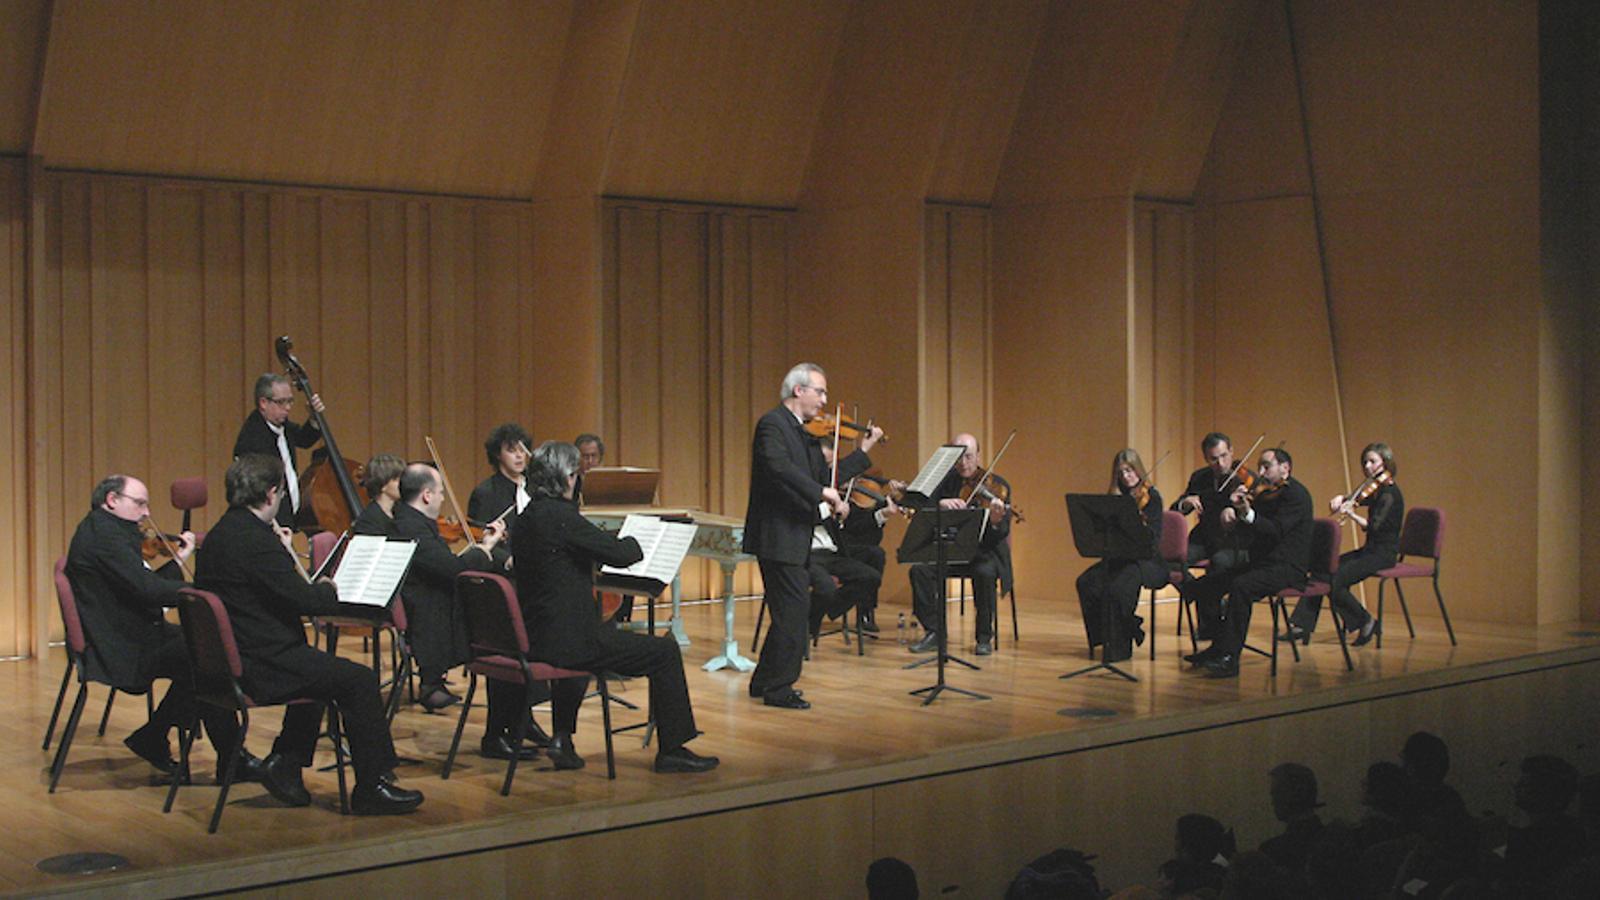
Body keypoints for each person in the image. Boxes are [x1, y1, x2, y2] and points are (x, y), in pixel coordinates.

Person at [194, 453, 421, 815]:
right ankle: (371, 786)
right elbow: (305, 600)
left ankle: (285, 764)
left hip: (229, 659)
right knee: (358, 680)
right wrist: (328, 588)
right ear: (270, 494)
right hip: (261, 663)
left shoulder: (220, 535)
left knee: (320, 672)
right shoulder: (255, 542)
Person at [513, 441, 718, 772]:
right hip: (568, 642)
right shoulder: (562, 517)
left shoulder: (525, 520)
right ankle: (673, 749)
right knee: (663, 652)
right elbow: (622, 554)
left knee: (582, 648)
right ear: (566, 479)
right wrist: (639, 538)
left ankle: (562, 739)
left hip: (533, 638)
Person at [64, 475, 255, 781]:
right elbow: (148, 591)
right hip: (122, 649)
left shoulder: (105, 529)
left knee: (203, 652)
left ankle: (171, 740)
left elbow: (142, 585)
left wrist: (182, 561)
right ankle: (229, 758)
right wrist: (204, 594)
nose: (146, 513)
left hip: (131, 634)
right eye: (139, 503)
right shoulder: (106, 539)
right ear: (112, 500)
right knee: (207, 655)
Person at [743, 362, 879, 709]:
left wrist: (862, 453)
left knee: (790, 611)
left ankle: (763, 681)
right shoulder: (772, 425)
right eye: (820, 391)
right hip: (776, 535)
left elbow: (828, 477)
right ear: (798, 390)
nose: (824, 400)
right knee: (794, 611)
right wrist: (821, 493)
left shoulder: (804, 434)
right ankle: (779, 689)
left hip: (794, 536)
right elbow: (778, 468)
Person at [391, 463, 514, 722]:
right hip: (428, 609)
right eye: (440, 492)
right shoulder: (411, 528)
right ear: (426, 495)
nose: (443, 498)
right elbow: (453, 570)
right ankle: (509, 719)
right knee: (502, 629)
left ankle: (510, 719)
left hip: (434, 601)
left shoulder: (411, 521)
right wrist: (485, 547)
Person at [1181, 446, 1312, 677]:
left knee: (1242, 586)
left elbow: (1275, 530)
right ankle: (1218, 646)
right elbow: (1250, 526)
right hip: (1262, 563)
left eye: (1266, 466)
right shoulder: (1264, 493)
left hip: (1287, 566)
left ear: (1285, 468)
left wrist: (1247, 514)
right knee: (1207, 585)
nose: (1260, 471)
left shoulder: (1296, 495)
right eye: (1259, 466)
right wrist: (1231, 514)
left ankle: (1230, 658)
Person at [1283, 442, 1402, 647]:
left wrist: (1351, 515)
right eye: (1365, 461)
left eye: (1372, 461)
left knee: (1333, 581)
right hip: (1370, 551)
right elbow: (1359, 499)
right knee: (1322, 571)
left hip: (1384, 554)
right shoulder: (1376, 489)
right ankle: (1302, 625)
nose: (1367, 466)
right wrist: (1343, 499)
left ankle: (1366, 621)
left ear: (1386, 462)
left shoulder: (1390, 493)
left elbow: (1373, 527)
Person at [906, 433, 1012, 656]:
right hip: (950, 551)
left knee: (985, 572)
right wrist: (940, 504)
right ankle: (935, 632)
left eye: (969, 457)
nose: (963, 464)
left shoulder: (997, 486)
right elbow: (917, 504)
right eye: (958, 458)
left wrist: (994, 521)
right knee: (919, 571)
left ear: (979, 456)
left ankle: (984, 637)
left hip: (983, 553)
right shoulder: (944, 482)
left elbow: (1002, 533)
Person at [1074, 449, 1169, 662]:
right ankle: (1106, 637)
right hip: (1121, 560)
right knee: (1086, 582)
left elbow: (1153, 542)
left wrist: (1139, 523)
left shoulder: (1152, 497)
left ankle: (1120, 645)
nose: (1126, 476)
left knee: (1118, 587)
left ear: (1138, 470)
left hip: (1148, 561)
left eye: (1130, 470)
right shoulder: (1115, 500)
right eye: (1121, 472)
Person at [232, 373, 324, 529]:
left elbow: (303, 439)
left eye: (290, 401)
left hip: (287, 516)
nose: (287, 407)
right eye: (281, 402)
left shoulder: (282, 425)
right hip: (270, 521)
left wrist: (315, 418)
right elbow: (258, 491)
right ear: (263, 403)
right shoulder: (252, 438)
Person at [1171, 432, 1248, 573]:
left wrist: (1237, 509)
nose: (1221, 463)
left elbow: (1253, 515)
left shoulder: (1243, 479)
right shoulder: (1200, 477)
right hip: (1204, 538)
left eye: (1224, 456)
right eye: (1214, 459)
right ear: (1206, 458)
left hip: (1232, 542)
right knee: (1174, 561)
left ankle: (1207, 593)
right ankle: (1195, 591)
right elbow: (1175, 510)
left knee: (1219, 563)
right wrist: (1186, 503)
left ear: (1231, 451)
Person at [1259, 762, 1326, 876]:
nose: (1272, 801)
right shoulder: (1331, 842)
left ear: (1295, 794)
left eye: (1276, 793)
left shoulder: (1273, 851)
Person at [351, 453, 405, 538]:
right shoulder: (368, 521)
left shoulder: (401, 511)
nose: (403, 483)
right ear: (382, 485)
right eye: (396, 480)